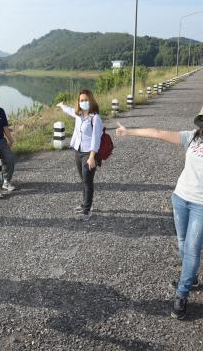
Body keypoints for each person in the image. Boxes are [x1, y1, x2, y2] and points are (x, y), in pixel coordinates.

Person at [116, 108, 203, 320]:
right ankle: (190, 278)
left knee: (192, 250)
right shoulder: (192, 137)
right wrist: (129, 131)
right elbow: (158, 133)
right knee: (182, 242)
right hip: (180, 198)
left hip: (201, 206)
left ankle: (181, 295)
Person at [57, 89, 103, 219]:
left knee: (88, 181)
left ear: (91, 101)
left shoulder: (95, 118)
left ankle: (87, 210)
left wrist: (92, 157)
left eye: (86, 100)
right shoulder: (79, 115)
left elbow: (96, 139)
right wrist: (62, 106)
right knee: (83, 179)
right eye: (81, 100)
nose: (83, 102)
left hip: (89, 153)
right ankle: (84, 204)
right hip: (78, 151)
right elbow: (70, 111)